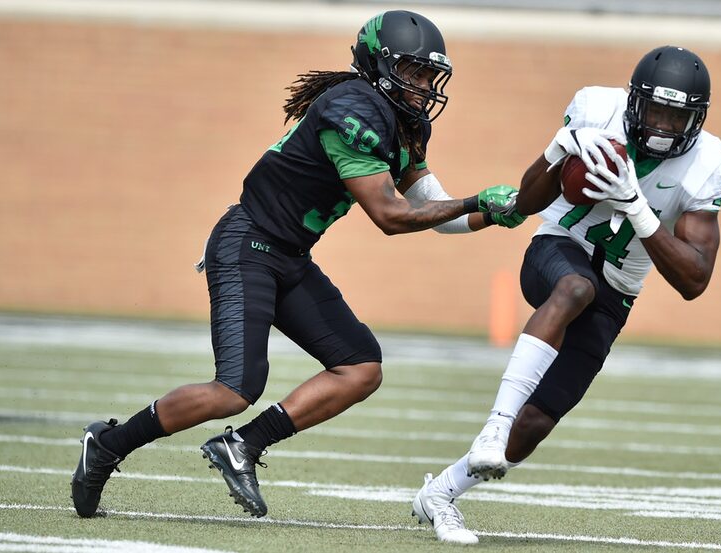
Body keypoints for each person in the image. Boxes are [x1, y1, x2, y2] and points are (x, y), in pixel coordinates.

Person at [70, 10, 525, 520]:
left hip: (288, 255)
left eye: (428, 76)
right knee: (235, 388)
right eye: (413, 72)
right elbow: (392, 216)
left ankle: (243, 446)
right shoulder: (351, 109)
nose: (423, 86)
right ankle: (107, 446)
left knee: (360, 366)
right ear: (379, 65)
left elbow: (432, 207)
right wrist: (472, 202)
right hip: (247, 244)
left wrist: (496, 211)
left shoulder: (404, 122)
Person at [411, 45, 721, 544]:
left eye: (678, 117)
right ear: (634, 102)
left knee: (539, 420)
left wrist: (636, 206)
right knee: (575, 287)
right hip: (558, 248)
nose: (664, 126)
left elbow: (694, 280)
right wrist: (559, 147)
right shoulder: (595, 109)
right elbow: (527, 201)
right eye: (656, 110)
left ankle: (441, 494)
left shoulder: (710, 163)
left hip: (620, 289)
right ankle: (493, 427)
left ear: (697, 120)